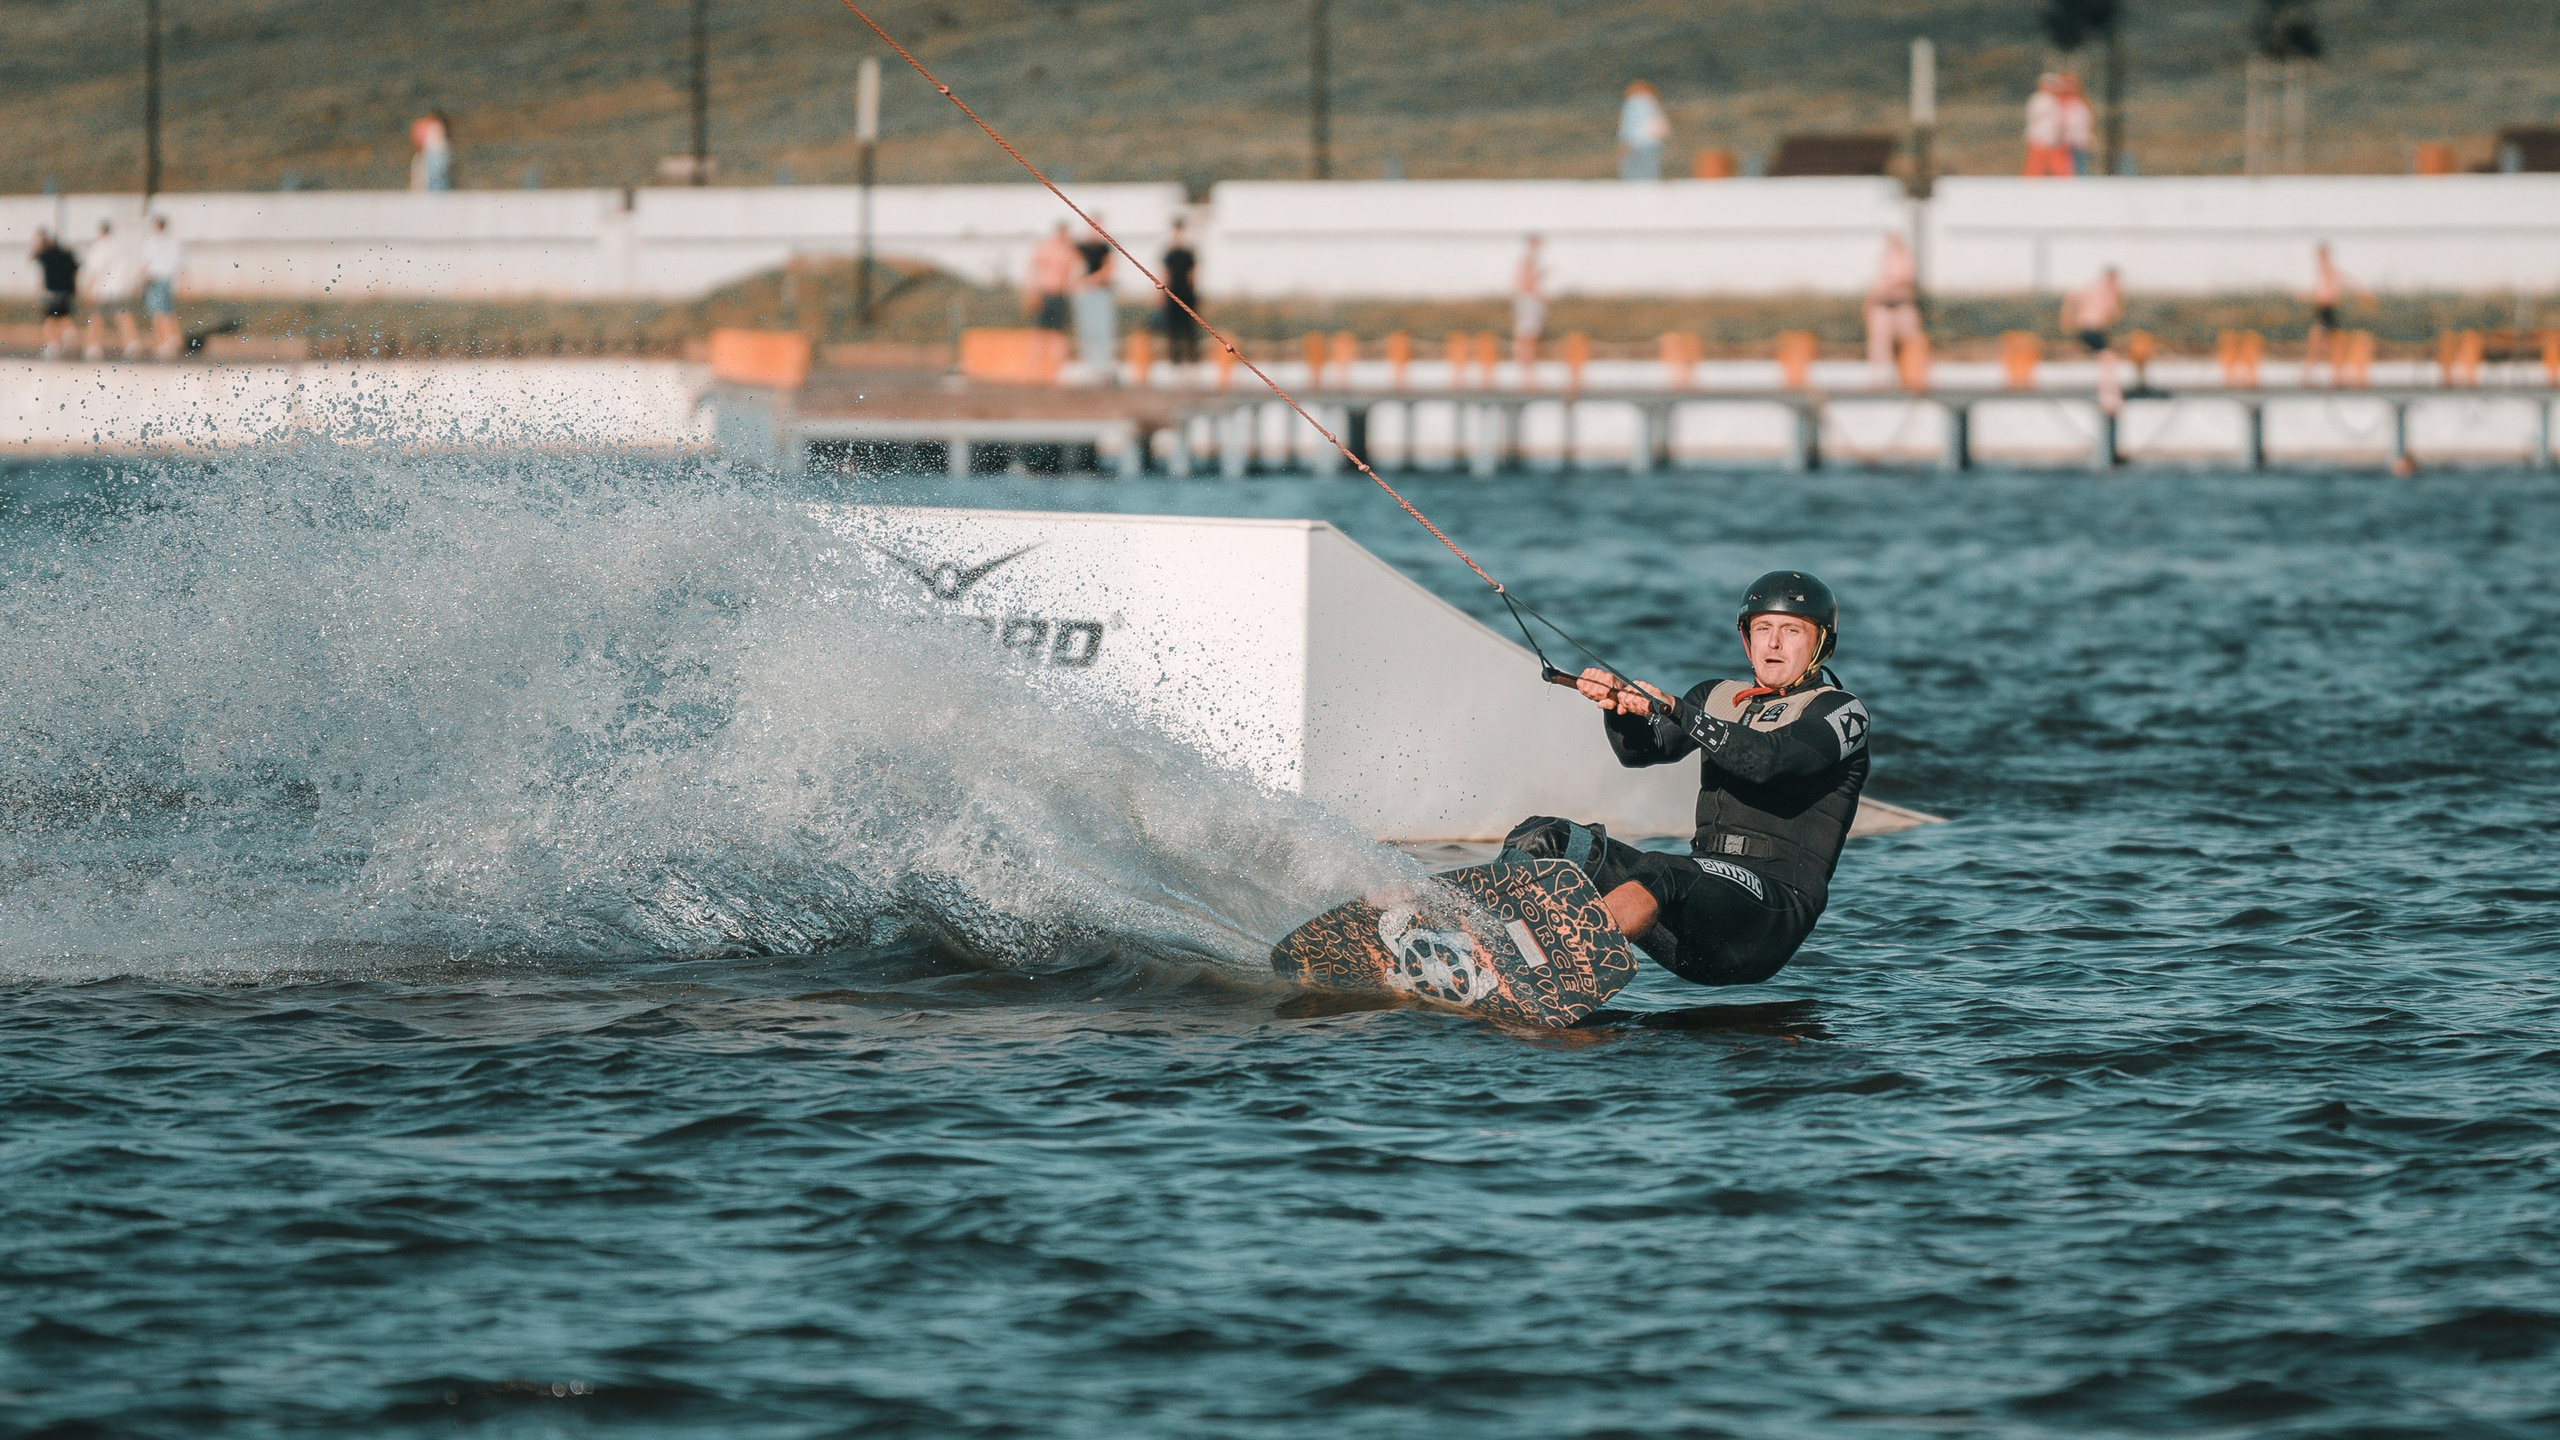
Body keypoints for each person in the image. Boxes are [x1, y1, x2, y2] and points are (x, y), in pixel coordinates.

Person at [1501, 571, 1870, 989]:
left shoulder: (1840, 712)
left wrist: (1677, 708)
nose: (1774, 643)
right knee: (1547, 837)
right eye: (1762, 628)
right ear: (1747, 639)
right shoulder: (1716, 696)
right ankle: (1481, 941)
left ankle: (1548, 967)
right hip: (1694, 912)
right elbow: (1641, 752)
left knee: (1665, 868)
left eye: (1791, 630)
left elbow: (1769, 760)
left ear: (1821, 642)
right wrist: (1618, 708)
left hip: (1769, 915)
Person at [2062, 266, 2125, 414]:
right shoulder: (2105, 291)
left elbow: (2072, 296)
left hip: (2089, 330)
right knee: (2108, 359)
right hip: (2091, 330)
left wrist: (2070, 319)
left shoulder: (2092, 288)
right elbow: (2114, 313)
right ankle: (2108, 396)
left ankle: (2109, 395)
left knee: (2108, 359)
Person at [2305, 242, 2369, 384]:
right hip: (2323, 310)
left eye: (2322, 255)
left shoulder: (2329, 271)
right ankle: (2322, 374)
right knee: (2322, 342)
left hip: (2328, 310)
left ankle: (2334, 374)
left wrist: (2360, 292)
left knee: (2329, 343)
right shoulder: (2323, 271)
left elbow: (2345, 280)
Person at [1864, 232, 1921, 385]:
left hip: (1899, 302)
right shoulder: (1884, 257)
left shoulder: (1905, 257)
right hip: (1883, 302)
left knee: (1910, 339)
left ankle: (1912, 374)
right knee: (1880, 342)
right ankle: (1879, 377)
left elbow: (1906, 279)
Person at [80, 219, 139, 362]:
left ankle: (93, 346)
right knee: (122, 315)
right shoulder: (118, 246)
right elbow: (126, 268)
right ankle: (132, 342)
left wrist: (88, 288)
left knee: (96, 318)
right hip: (117, 288)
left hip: (103, 289)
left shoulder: (100, 247)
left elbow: (96, 270)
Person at [1071, 221, 1118, 382]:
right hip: (1085, 294)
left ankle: (1102, 366)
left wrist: (1092, 280)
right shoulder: (1081, 247)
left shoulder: (1105, 247)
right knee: (1086, 329)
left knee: (1102, 330)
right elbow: (1074, 265)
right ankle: (1089, 366)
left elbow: (1110, 268)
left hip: (1101, 293)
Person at [29, 229, 78, 359]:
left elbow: (34, 262)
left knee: (49, 320)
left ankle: (53, 345)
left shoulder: (44, 256)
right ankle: (67, 334)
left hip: (52, 292)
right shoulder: (67, 254)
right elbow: (76, 268)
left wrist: (41, 290)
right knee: (63, 316)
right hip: (66, 292)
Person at [1160, 218, 1202, 366]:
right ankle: (1175, 360)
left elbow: (1193, 274)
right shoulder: (1169, 253)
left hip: (1186, 293)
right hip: (1172, 293)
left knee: (1189, 328)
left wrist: (1193, 291)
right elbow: (1165, 274)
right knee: (1173, 329)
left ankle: (1192, 359)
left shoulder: (1188, 253)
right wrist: (1162, 295)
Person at [142, 214, 183, 361]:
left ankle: (164, 342)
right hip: (167, 279)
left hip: (155, 279)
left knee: (157, 312)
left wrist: (141, 278)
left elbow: (147, 262)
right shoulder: (172, 241)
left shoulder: (153, 241)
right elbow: (177, 262)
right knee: (167, 310)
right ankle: (173, 339)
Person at [1027, 221, 1076, 332]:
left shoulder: (1069, 250)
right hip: (1045, 293)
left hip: (1060, 294)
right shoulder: (1046, 247)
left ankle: (1057, 350)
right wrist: (1033, 291)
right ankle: (1037, 350)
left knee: (1058, 330)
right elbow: (1033, 269)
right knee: (1040, 330)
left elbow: (1072, 272)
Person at [1617, 81, 1670, 182]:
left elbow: (1629, 125)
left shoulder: (1633, 103)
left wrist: (1625, 141)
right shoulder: (1653, 103)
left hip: (1636, 143)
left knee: (1633, 171)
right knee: (1650, 171)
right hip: (1653, 143)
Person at [1511, 235, 1547, 377]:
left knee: (1530, 338)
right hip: (1528, 303)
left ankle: (1527, 370)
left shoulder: (1529, 262)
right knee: (1527, 338)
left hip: (1530, 303)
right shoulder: (1526, 262)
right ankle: (1526, 371)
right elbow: (1525, 282)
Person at [2022, 73, 2070, 178]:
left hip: (2052, 140)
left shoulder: (2053, 100)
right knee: (2035, 168)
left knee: (2057, 168)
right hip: (2040, 139)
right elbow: (2035, 119)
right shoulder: (2039, 99)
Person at [2057, 72, 2095, 175]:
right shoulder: (2057, 101)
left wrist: (2087, 136)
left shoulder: (2081, 103)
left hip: (2077, 141)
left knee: (2079, 167)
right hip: (2061, 142)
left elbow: (2087, 121)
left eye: (2072, 83)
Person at [410, 111, 453, 192]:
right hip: (434, 155)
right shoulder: (436, 126)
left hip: (436, 155)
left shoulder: (435, 126)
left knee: (436, 178)